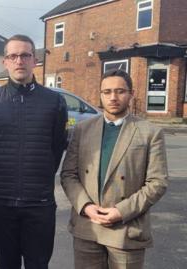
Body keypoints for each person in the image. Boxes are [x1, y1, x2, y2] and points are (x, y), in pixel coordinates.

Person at [0, 34, 68, 269]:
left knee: (38, 265)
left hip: (40, 205)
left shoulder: (54, 102)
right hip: (0, 206)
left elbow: (56, 149)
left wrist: (39, 178)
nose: (19, 61)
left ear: (35, 60)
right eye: (13, 56)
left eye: (25, 55)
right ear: (5, 62)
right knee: (7, 264)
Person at [60, 69, 168, 269]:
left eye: (120, 91)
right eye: (107, 92)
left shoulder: (150, 132)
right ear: (100, 95)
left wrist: (121, 211)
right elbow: (68, 174)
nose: (113, 97)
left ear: (131, 94)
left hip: (126, 229)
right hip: (88, 227)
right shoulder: (83, 129)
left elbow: (157, 182)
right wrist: (85, 207)